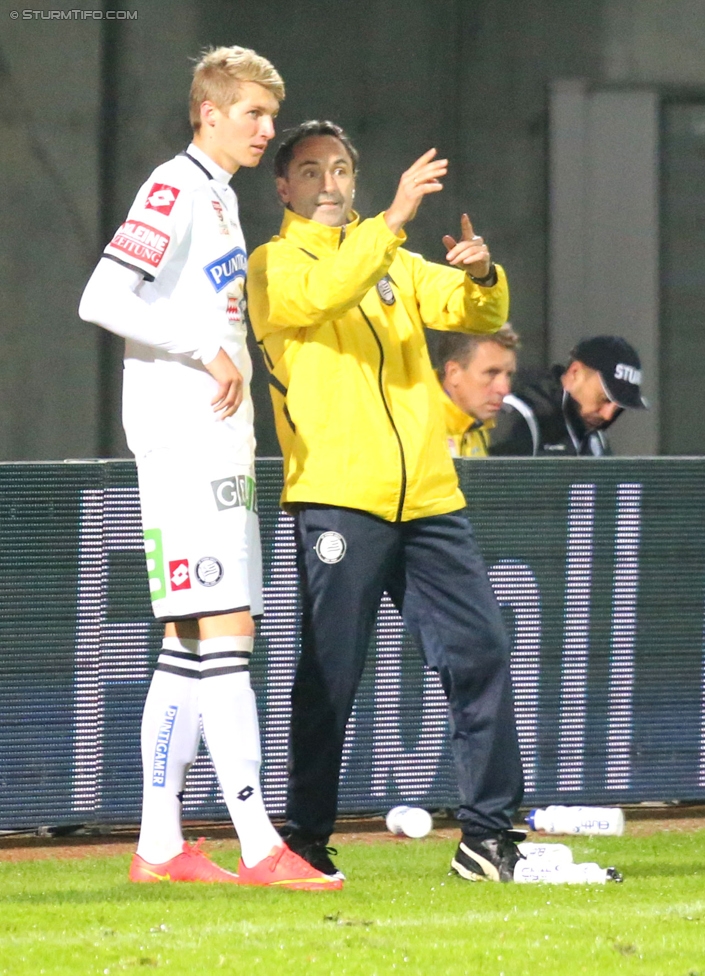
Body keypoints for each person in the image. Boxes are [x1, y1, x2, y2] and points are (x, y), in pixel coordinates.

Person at [79, 49, 340, 890]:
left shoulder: (220, 195)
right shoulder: (175, 187)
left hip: (214, 441)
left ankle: (160, 844)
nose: (267, 129)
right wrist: (199, 350)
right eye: (254, 114)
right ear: (208, 112)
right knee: (230, 634)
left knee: (188, 640)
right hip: (184, 439)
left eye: (270, 114)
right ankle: (260, 844)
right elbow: (102, 296)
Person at [247, 120, 525, 885]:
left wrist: (479, 273)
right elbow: (321, 293)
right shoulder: (273, 265)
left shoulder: (391, 263)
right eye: (310, 171)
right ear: (284, 188)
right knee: (331, 674)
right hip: (338, 498)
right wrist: (391, 219)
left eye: (340, 168)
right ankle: (304, 840)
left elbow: (471, 316)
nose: (329, 182)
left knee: (481, 652)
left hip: (429, 499)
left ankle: (488, 837)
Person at [489, 335, 648, 456]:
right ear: (574, 374)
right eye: (604, 399)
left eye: (619, 408)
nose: (608, 416)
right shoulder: (519, 416)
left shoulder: (594, 437)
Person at [432, 324, 519, 457]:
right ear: (453, 373)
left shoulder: (478, 425)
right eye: (491, 373)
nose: (504, 389)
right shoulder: (412, 430)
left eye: (509, 375)